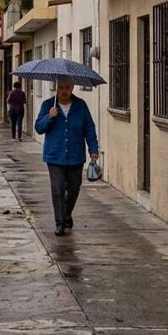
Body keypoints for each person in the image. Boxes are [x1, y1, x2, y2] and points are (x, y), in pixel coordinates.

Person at [34, 76, 99, 236]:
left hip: (75, 155)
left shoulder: (81, 106)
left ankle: (67, 213)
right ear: (56, 88)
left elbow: (89, 128)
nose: (64, 91)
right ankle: (60, 223)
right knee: (57, 189)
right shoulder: (48, 105)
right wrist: (50, 117)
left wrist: (93, 149)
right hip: (54, 156)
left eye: (67, 87)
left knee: (74, 188)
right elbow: (39, 128)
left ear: (72, 88)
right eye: (61, 87)